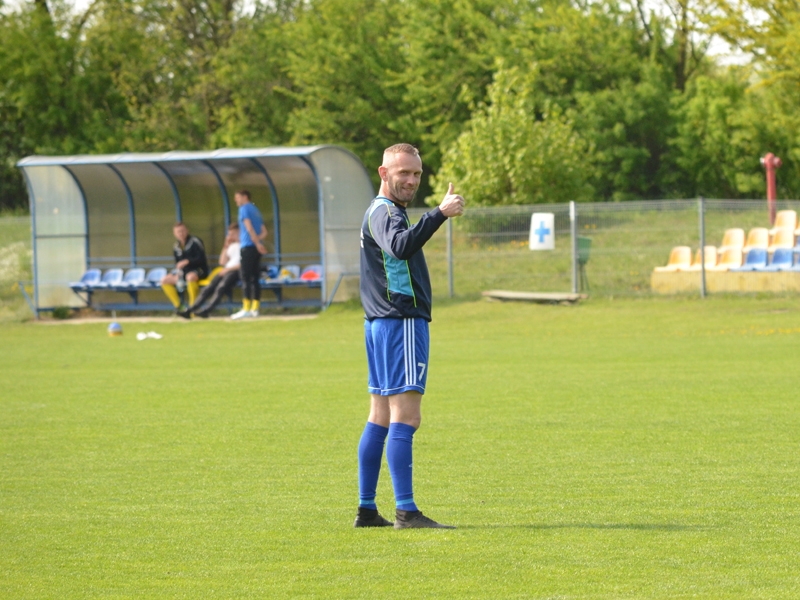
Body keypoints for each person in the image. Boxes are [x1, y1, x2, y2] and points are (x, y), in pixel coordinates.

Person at [355, 143, 465, 530]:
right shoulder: (386, 212)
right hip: (399, 322)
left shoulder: (383, 211)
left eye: (417, 173)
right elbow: (400, 247)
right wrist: (439, 214)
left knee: (380, 416)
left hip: (380, 324)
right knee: (407, 416)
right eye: (404, 172)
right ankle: (406, 511)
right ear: (384, 173)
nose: (412, 180)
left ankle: (367, 510)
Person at [177, 224, 241, 319]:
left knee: (221, 287)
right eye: (229, 234)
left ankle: (207, 310)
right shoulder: (231, 245)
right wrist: (226, 246)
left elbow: (244, 264)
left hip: (236, 271)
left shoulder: (245, 245)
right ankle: (190, 310)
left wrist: (227, 269)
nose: (230, 236)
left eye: (233, 234)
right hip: (225, 270)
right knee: (208, 288)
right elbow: (222, 262)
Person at [231, 190, 267, 320]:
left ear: (245, 197)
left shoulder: (244, 209)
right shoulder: (256, 210)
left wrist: (256, 243)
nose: (236, 200)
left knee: (245, 277)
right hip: (256, 248)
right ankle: (255, 308)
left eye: (237, 197)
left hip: (247, 247)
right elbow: (264, 231)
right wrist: (259, 242)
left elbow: (249, 227)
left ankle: (246, 308)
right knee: (255, 278)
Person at [161, 222, 209, 312]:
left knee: (190, 277)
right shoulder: (176, 246)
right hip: (184, 272)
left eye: (182, 231)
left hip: (199, 270)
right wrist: (175, 273)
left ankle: (193, 308)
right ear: (174, 233)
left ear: (187, 230)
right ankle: (179, 307)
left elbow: (201, 258)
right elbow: (177, 263)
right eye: (178, 232)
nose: (181, 233)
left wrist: (188, 261)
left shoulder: (195, 241)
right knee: (164, 280)